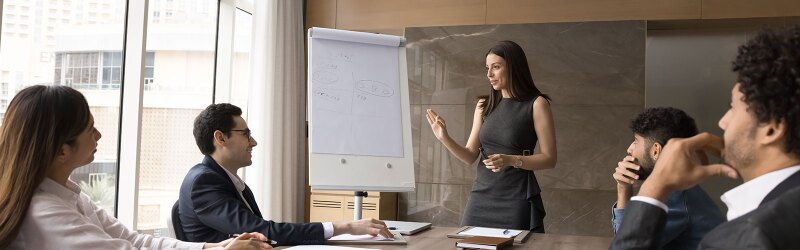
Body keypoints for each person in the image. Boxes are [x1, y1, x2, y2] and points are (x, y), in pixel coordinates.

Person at [0, 85, 271, 250]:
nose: (98, 135)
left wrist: (213, 248)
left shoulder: (71, 196)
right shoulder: (46, 214)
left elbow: (135, 241)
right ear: (61, 150)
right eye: (89, 129)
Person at [611, 26, 800, 249]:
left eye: (733, 108)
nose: (723, 121)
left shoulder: (754, 234)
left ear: (771, 129)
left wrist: (654, 188)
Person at [178, 103, 394, 246]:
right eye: (246, 134)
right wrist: (344, 226)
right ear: (221, 138)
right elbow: (263, 230)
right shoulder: (203, 183)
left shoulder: (223, 179)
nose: (253, 142)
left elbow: (262, 234)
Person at [426, 40, 557, 232]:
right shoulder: (483, 105)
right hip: (481, 195)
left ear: (513, 67)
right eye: (487, 68)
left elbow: (549, 159)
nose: (489, 74)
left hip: (516, 197)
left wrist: (509, 159)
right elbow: (470, 155)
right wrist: (443, 137)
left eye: (496, 67)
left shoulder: (537, 104)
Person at [611, 107, 724, 249]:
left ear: (656, 150)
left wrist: (623, 190)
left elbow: (625, 243)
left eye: (636, 141)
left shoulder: (674, 196)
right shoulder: (682, 190)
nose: (629, 149)